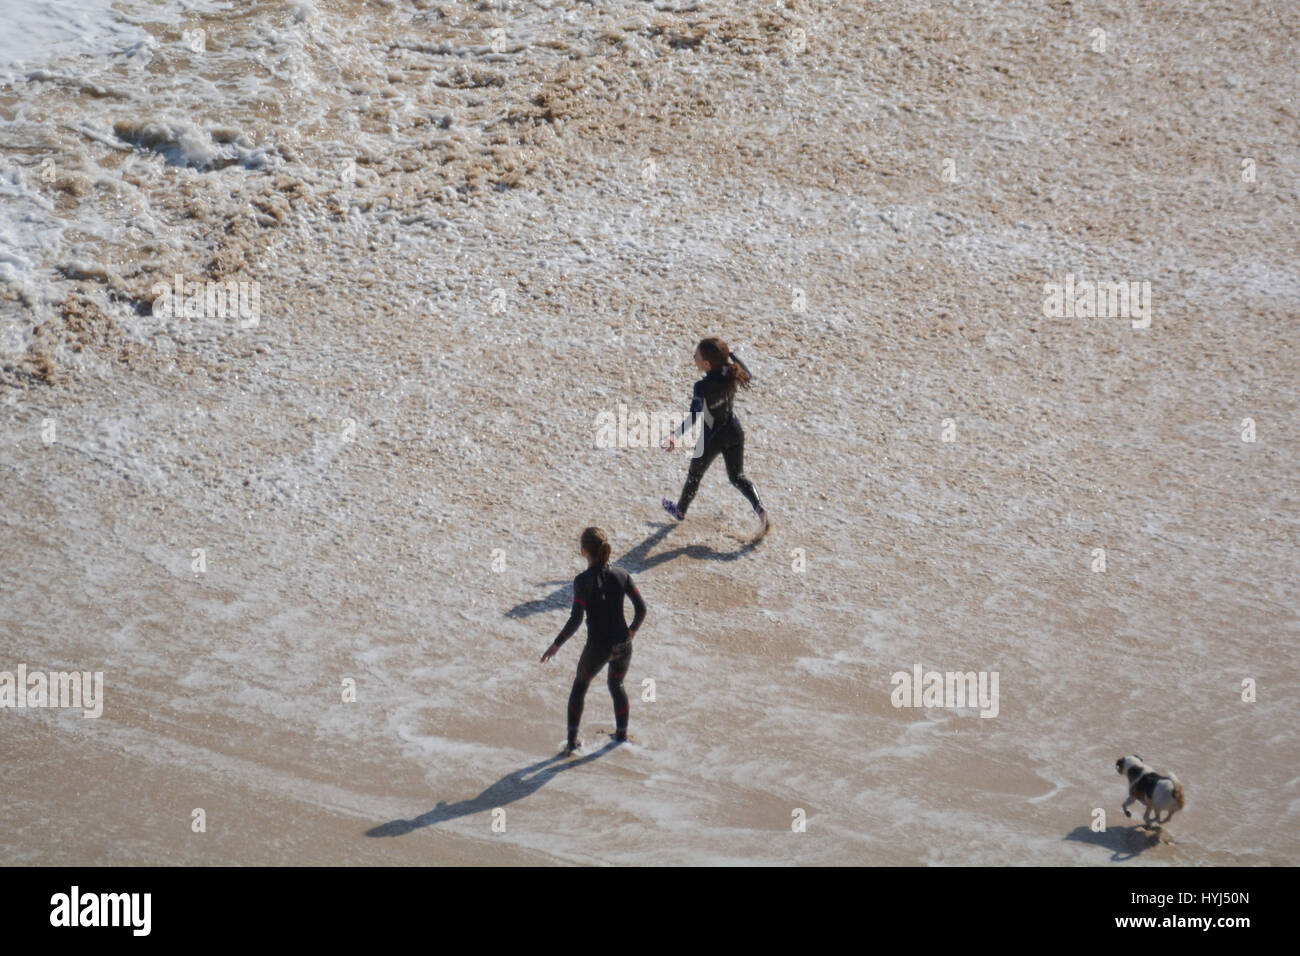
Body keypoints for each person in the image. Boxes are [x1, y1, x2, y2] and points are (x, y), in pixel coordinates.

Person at [540, 527, 646, 755]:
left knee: (579, 687)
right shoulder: (622, 574)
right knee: (616, 685)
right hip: (623, 644)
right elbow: (642, 609)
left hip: (598, 647)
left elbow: (576, 618)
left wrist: (556, 644)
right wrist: (631, 632)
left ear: (584, 550)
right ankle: (621, 735)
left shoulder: (582, 581)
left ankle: (572, 743)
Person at [661, 337, 770, 536]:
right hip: (734, 430)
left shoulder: (701, 387)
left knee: (694, 475)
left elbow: (694, 415)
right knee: (737, 477)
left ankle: (680, 511)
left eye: (697, 355)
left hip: (711, 437)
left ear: (706, 364)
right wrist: (732, 356)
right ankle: (759, 508)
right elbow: (749, 374)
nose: (694, 357)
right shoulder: (730, 373)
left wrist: (674, 436)